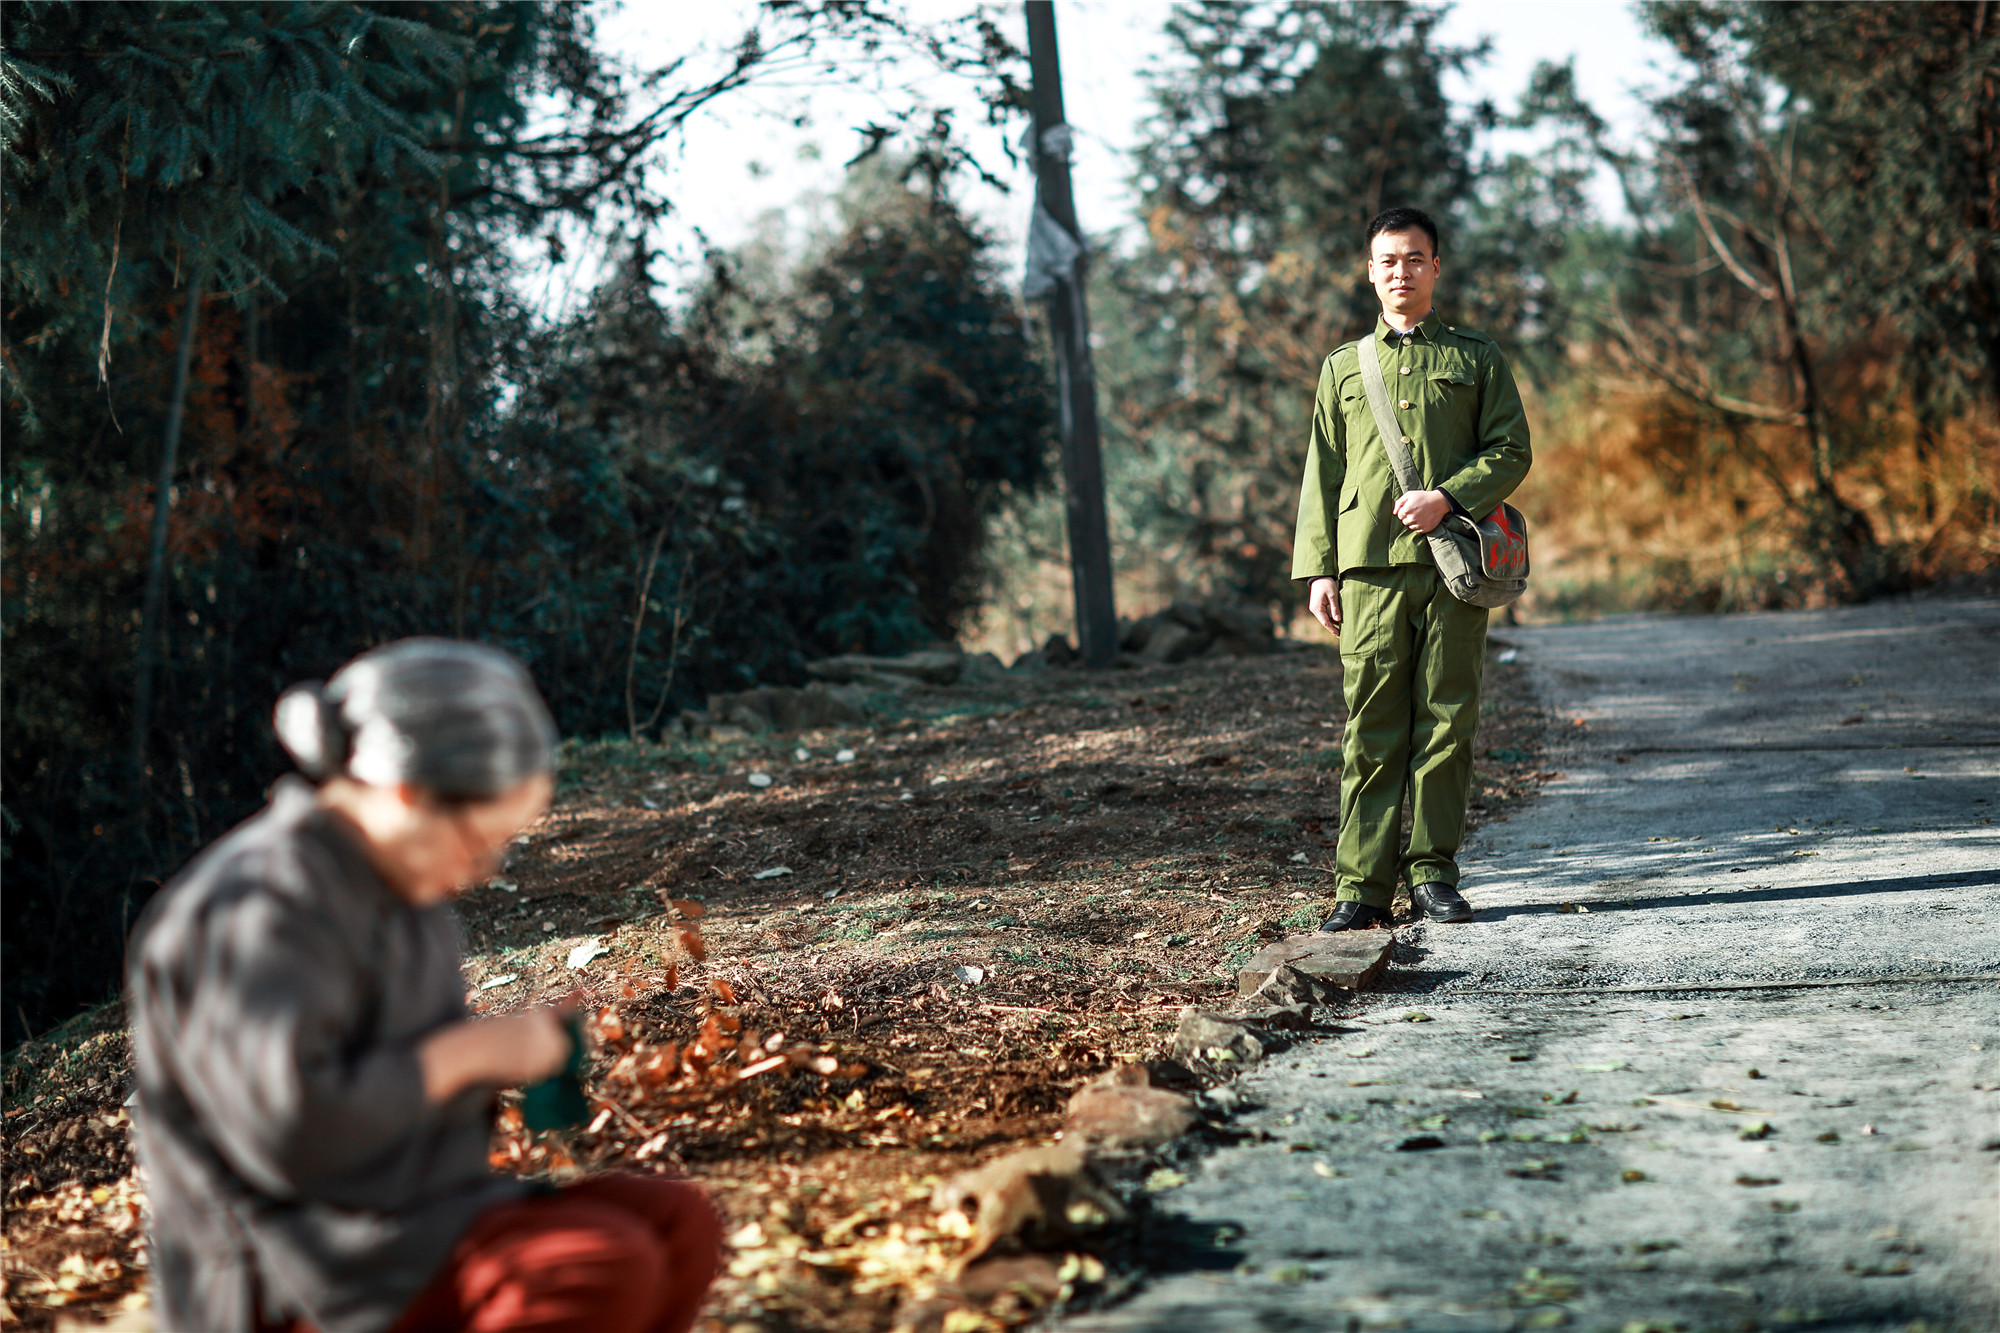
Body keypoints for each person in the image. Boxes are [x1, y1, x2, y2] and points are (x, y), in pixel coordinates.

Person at [127, 639, 720, 1333]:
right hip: (295, 1272)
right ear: (408, 793)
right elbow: (292, 1134)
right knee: (592, 1267)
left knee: (678, 1222)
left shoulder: (405, 898)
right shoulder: (257, 906)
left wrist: (519, 1051)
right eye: (480, 839)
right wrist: (469, 1055)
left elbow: (410, 1077)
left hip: (412, 1225)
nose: (482, 867)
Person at [1291, 207, 1532, 931]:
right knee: (1370, 728)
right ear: (1371, 272)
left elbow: (1511, 449)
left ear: (1436, 268)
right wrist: (1319, 571)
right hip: (1368, 569)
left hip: (1454, 564)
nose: (1402, 271)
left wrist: (1448, 497)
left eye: (1416, 259)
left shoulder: (1477, 358)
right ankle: (1360, 887)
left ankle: (1432, 872)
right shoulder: (1342, 368)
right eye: (1389, 260)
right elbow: (1322, 473)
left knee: (1447, 721)